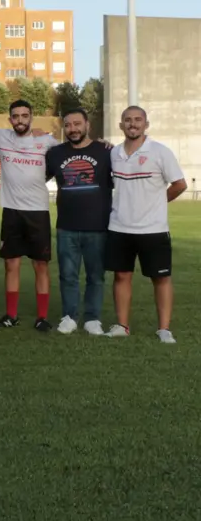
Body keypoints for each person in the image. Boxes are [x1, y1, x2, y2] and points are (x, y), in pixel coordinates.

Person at [105, 106, 186, 343]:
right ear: (121, 125)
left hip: (153, 229)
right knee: (121, 276)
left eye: (138, 120)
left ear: (146, 124)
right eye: (128, 120)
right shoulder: (114, 153)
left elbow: (180, 184)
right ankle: (122, 326)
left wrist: (158, 203)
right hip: (119, 227)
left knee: (161, 278)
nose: (133, 124)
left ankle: (164, 329)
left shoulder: (160, 151)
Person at [0, 99, 58, 331]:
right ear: (10, 119)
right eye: (16, 116)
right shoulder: (1, 137)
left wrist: (101, 144)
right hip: (12, 211)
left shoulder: (46, 140)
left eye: (24, 116)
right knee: (11, 264)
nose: (20, 120)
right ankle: (11, 315)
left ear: (31, 117)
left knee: (40, 265)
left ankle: (42, 317)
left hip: (38, 211)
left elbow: (73, 149)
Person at [45, 108, 111, 335]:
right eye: (68, 125)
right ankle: (69, 316)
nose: (72, 129)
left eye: (77, 124)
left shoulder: (106, 151)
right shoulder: (55, 153)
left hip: (98, 226)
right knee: (67, 275)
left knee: (96, 276)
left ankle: (93, 318)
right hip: (66, 226)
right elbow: (37, 177)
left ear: (87, 125)